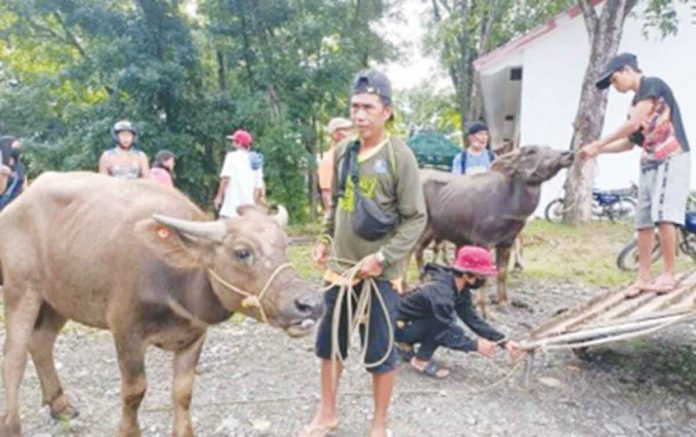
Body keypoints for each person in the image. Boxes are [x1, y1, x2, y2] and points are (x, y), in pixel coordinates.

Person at [305, 70, 427, 437]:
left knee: (380, 350)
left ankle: (379, 425)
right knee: (329, 346)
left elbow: (416, 218)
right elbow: (336, 205)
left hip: (379, 275)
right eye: (355, 107)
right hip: (340, 270)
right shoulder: (343, 152)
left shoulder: (398, 155)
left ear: (386, 111)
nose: (359, 115)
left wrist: (384, 259)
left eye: (368, 107)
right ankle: (327, 413)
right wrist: (325, 238)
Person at [579, 53, 691, 298]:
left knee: (664, 215)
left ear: (627, 69)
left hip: (671, 156)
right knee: (643, 219)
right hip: (649, 161)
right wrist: (596, 151)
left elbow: (632, 125)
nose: (614, 85)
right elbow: (630, 142)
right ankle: (643, 275)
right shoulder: (633, 106)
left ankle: (669, 273)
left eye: (614, 79)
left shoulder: (652, 84)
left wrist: (597, 143)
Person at [396, 246, 521, 379]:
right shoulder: (442, 295)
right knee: (444, 326)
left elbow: (471, 318)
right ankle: (420, 360)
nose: (486, 280)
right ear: (467, 275)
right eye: (482, 276)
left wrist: (503, 341)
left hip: (410, 322)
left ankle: (406, 345)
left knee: (445, 323)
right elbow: (444, 331)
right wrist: (475, 345)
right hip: (396, 327)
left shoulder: (457, 285)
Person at [214, 129, 264, 217]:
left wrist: (219, 197)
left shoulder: (231, 157)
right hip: (247, 214)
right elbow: (257, 188)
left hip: (230, 210)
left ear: (239, 143)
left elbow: (225, 179)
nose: (232, 142)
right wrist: (253, 206)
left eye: (234, 140)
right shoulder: (256, 161)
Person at [317, 117, 352, 212]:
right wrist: (332, 221)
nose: (351, 133)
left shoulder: (351, 155)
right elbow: (326, 194)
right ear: (335, 134)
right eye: (346, 130)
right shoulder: (328, 160)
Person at [0, 136, 25, 210]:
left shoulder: (20, 167)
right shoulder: (4, 168)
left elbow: (24, 186)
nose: (17, 147)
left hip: (15, 202)